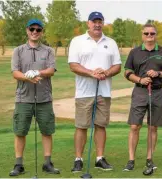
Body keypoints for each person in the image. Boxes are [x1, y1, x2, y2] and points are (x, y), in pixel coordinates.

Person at [68, 11, 122, 172]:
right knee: (81, 126)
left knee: (100, 125)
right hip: (84, 92)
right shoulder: (77, 41)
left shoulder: (111, 42)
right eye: (94, 21)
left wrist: (105, 73)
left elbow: (117, 66)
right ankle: (78, 159)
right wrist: (92, 73)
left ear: (103, 23)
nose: (97, 24)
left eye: (100, 21)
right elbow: (73, 65)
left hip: (104, 92)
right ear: (88, 23)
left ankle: (100, 158)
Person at [9, 19, 60, 176]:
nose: (35, 32)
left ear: (42, 32)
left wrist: (38, 72)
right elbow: (14, 72)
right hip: (23, 98)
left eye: (38, 29)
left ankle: (47, 163)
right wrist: (26, 77)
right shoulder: (18, 50)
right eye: (32, 29)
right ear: (27, 30)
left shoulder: (48, 51)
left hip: (44, 98)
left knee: (47, 131)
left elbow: (51, 70)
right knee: (20, 131)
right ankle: (19, 165)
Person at [122, 24, 162, 171]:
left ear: (156, 35)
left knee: (153, 127)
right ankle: (131, 160)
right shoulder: (135, 52)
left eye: (152, 33)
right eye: (146, 33)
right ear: (142, 35)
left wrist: (158, 73)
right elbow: (127, 72)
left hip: (157, 91)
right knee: (134, 126)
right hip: (140, 91)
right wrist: (140, 80)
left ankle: (149, 159)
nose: (149, 36)